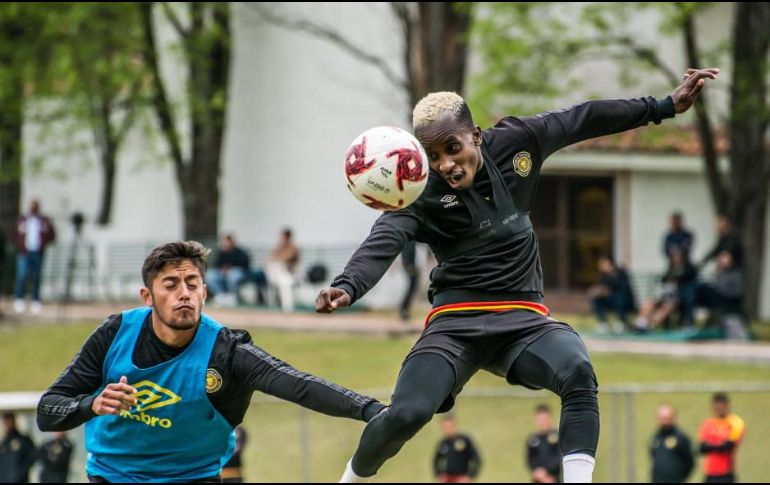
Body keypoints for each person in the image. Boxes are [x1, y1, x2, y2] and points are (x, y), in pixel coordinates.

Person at [316, 68, 720, 483]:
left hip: (524, 323)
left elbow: (583, 118)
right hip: (455, 327)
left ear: (476, 134)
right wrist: (347, 286)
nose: (446, 164)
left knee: (578, 371)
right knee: (407, 413)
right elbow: (383, 239)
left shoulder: (517, 142)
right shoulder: (420, 192)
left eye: (452, 148)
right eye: (433, 157)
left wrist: (662, 107)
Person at [36, 241, 385, 483]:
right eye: (170, 285)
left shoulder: (226, 351)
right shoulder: (114, 334)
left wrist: (372, 410)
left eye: (192, 283)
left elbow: (297, 384)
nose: (183, 293)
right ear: (147, 296)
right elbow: (47, 410)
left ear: (204, 292)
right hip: (111, 477)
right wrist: (91, 404)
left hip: (195, 477)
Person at [634, 248, 698, 331]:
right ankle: (640, 322)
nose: (676, 258)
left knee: (667, 306)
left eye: (678, 256)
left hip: (679, 299)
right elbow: (664, 279)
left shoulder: (689, 269)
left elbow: (687, 283)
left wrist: (676, 280)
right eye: (674, 256)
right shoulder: (670, 268)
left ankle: (650, 324)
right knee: (649, 302)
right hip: (666, 297)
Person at [13, 199, 56, 314]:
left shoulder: (44, 221)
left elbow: (52, 234)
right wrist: (20, 245)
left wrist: (43, 244)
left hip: (37, 252)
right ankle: (19, 299)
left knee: (36, 277)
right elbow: (15, 234)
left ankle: (35, 300)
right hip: (24, 253)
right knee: (22, 276)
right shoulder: (23, 220)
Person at [699, 393, 744, 483]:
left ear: (727, 406)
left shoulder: (735, 422)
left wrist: (711, 446)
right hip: (710, 473)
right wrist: (719, 444)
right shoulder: (707, 424)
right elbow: (702, 448)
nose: (718, 409)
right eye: (716, 406)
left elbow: (728, 446)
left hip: (726, 473)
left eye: (721, 406)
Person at [588, 256, 636, 333]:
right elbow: (602, 288)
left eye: (602, 263)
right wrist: (597, 291)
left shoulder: (621, 273)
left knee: (619, 296)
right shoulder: (604, 276)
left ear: (609, 263)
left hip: (625, 301)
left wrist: (608, 291)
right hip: (611, 301)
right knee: (597, 298)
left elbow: (623, 289)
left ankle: (621, 322)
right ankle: (603, 323)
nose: (600, 266)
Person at [649, 405, 693, 483]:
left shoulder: (681, 437)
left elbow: (689, 461)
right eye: (662, 419)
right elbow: (652, 455)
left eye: (667, 418)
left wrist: (680, 477)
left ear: (673, 418)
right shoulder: (656, 437)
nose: (665, 422)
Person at [432, 414, 481, 483]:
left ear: (455, 426)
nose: (447, 430)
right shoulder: (443, 443)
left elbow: (476, 459)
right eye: (445, 427)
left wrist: (470, 476)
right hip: (448, 478)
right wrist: (438, 475)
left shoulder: (464, 440)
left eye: (449, 427)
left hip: (461, 477)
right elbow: (435, 460)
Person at [206, 234, 251, 307]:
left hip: (236, 273)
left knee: (233, 274)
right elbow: (216, 265)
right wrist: (223, 269)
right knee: (210, 275)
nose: (225, 244)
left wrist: (230, 269)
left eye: (227, 242)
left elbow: (244, 265)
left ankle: (231, 296)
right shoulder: (221, 252)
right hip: (222, 273)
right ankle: (220, 295)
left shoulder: (240, 252)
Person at [265, 227, 300, 312]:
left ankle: (287, 308)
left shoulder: (293, 248)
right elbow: (268, 259)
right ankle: (276, 306)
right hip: (276, 275)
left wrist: (277, 259)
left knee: (285, 282)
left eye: (282, 236)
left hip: (290, 274)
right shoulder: (278, 247)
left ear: (287, 237)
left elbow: (285, 259)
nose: (280, 238)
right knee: (275, 266)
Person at [526, 404, 562, 483]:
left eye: (545, 419)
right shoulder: (532, 439)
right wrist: (538, 473)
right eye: (540, 419)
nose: (542, 422)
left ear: (550, 418)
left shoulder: (558, 437)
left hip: (554, 479)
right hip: (537, 479)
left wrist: (546, 473)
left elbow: (559, 457)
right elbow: (530, 459)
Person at [0, 412, 36, 483]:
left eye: (9, 421)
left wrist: (19, 474)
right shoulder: (4, 443)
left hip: (19, 480)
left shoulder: (24, 441)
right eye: (5, 422)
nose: (7, 424)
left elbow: (31, 458)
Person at [399, 240, 420, 322]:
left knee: (412, 287)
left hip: (411, 265)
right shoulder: (409, 239)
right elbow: (406, 253)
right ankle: (403, 309)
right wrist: (409, 266)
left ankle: (404, 309)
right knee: (411, 287)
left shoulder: (411, 239)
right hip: (410, 265)